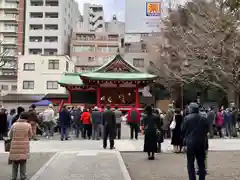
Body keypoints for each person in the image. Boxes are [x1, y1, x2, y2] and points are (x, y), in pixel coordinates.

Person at [182, 103, 209, 180]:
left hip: (190, 143)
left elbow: (182, 130)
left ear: (190, 109)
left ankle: (192, 178)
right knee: (201, 163)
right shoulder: (204, 118)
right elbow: (206, 130)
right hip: (201, 143)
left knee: (190, 163)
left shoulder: (187, 118)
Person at [9, 112, 33, 180]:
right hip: (24, 146)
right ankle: (23, 176)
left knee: (14, 163)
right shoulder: (28, 125)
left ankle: (14, 177)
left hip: (15, 145)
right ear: (27, 118)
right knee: (23, 162)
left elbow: (10, 135)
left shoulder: (14, 124)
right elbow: (31, 135)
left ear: (20, 116)